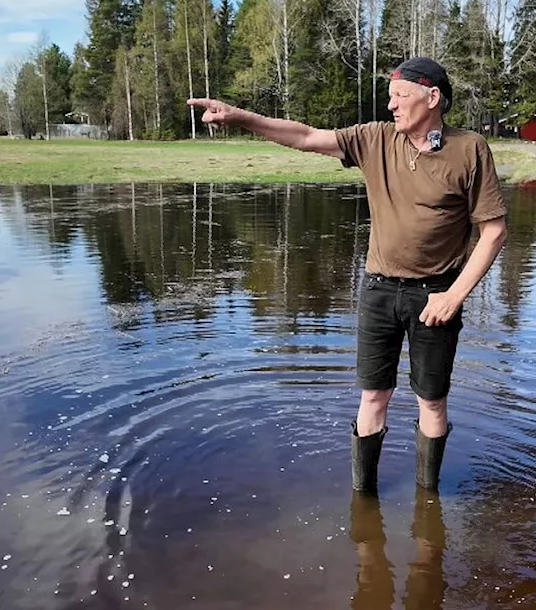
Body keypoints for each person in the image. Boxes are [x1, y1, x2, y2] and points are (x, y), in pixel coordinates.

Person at [187, 57, 508, 494]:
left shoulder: (469, 149)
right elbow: (304, 136)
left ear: (432, 98)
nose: (391, 106)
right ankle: (365, 499)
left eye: (401, 96)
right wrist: (241, 116)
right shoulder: (374, 139)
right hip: (378, 291)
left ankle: (427, 501)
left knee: (432, 401)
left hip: (436, 296)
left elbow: (493, 232)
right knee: (373, 397)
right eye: (390, 97)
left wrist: (454, 296)